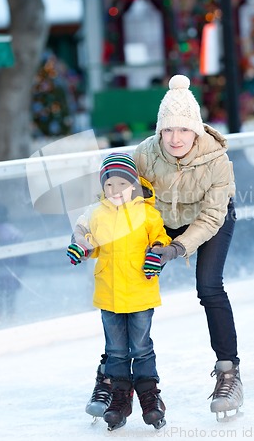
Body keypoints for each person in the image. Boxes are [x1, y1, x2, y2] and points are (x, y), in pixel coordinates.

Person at [74, 74, 243, 422]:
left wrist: (176, 249)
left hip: (208, 220)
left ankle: (229, 373)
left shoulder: (218, 162)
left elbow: (212, 217)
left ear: (195, 129)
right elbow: (113, 193)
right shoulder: (146, 154)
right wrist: (88, 231)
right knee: (125, 282)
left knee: (209, 287)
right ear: (159, 131)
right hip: (159, 218)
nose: (175, 138)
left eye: (182, 130)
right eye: (167, 130)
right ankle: (108, 377)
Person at [67, 152, 172, 431]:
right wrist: (82, 248)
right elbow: (90, 242)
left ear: (134, 185)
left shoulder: (147, 214)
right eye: (109, 185)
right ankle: (120, 397)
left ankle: (150, 397)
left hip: (139, 292)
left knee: (141, 348)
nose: (115, 191)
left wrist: (156, 254)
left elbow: (161, 240)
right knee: (115, 351)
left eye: (122, 185)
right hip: (109, 294)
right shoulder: (98, 215)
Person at [0, 203, 26, 325]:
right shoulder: (15, 233)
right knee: (10, 297)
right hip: (11, 273)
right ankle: (11, 317)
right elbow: (23, 256)